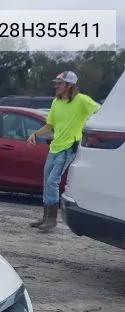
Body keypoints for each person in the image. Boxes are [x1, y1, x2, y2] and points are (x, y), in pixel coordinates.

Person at [27, 71, 100, 232]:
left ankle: (51, 220)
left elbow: (99, 113)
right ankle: (46, 217)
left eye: (60, 83)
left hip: (68, 148)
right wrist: (35, 134)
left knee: (53, 181)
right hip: (55, 147)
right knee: (47, 181)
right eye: (56, 83)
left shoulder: (82, 100)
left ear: (69, 85)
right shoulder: (56, 103)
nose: (56, 86)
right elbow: (49, 125)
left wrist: (87, 133)